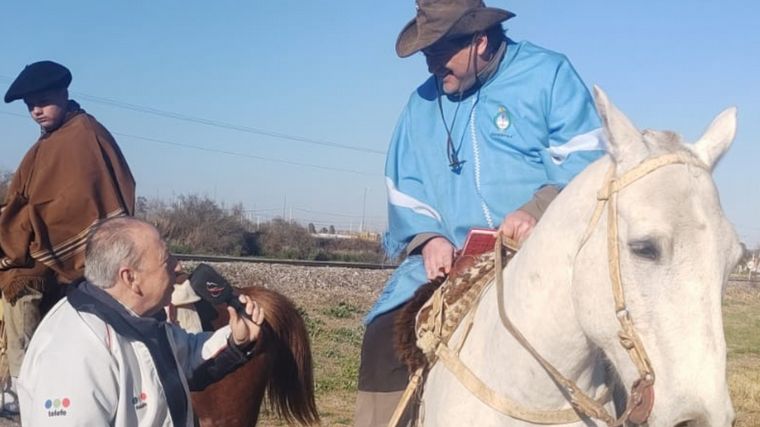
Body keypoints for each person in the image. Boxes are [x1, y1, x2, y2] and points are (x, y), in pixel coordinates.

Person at [355, 0, 606, 425]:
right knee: (384, 338)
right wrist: (428, 238)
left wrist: (539, 209)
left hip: (542, 253)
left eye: (438, 51)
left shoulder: (550, 76)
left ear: (480, 41)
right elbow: (405, 186)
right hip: (452, 263)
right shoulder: (420, 106)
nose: (430, 65)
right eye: (426, 52)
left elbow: (590, 162)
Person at [17, 217, 266, 426]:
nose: (178, 266)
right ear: (130, 278)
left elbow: (186, 355)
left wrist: (236, 339)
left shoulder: (142, 320)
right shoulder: (76, 352)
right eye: (166, 260)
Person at [0, 60, 136, 413]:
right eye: (29, 105)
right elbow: (26, 197)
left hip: (79, 255)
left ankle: (22, 383)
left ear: (64, 93)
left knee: (20, 285)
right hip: (41, 242)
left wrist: (24, 226)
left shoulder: (82, 136)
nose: (35, 111)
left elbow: (72, 205)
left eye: (42, 100)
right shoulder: (48, 142)